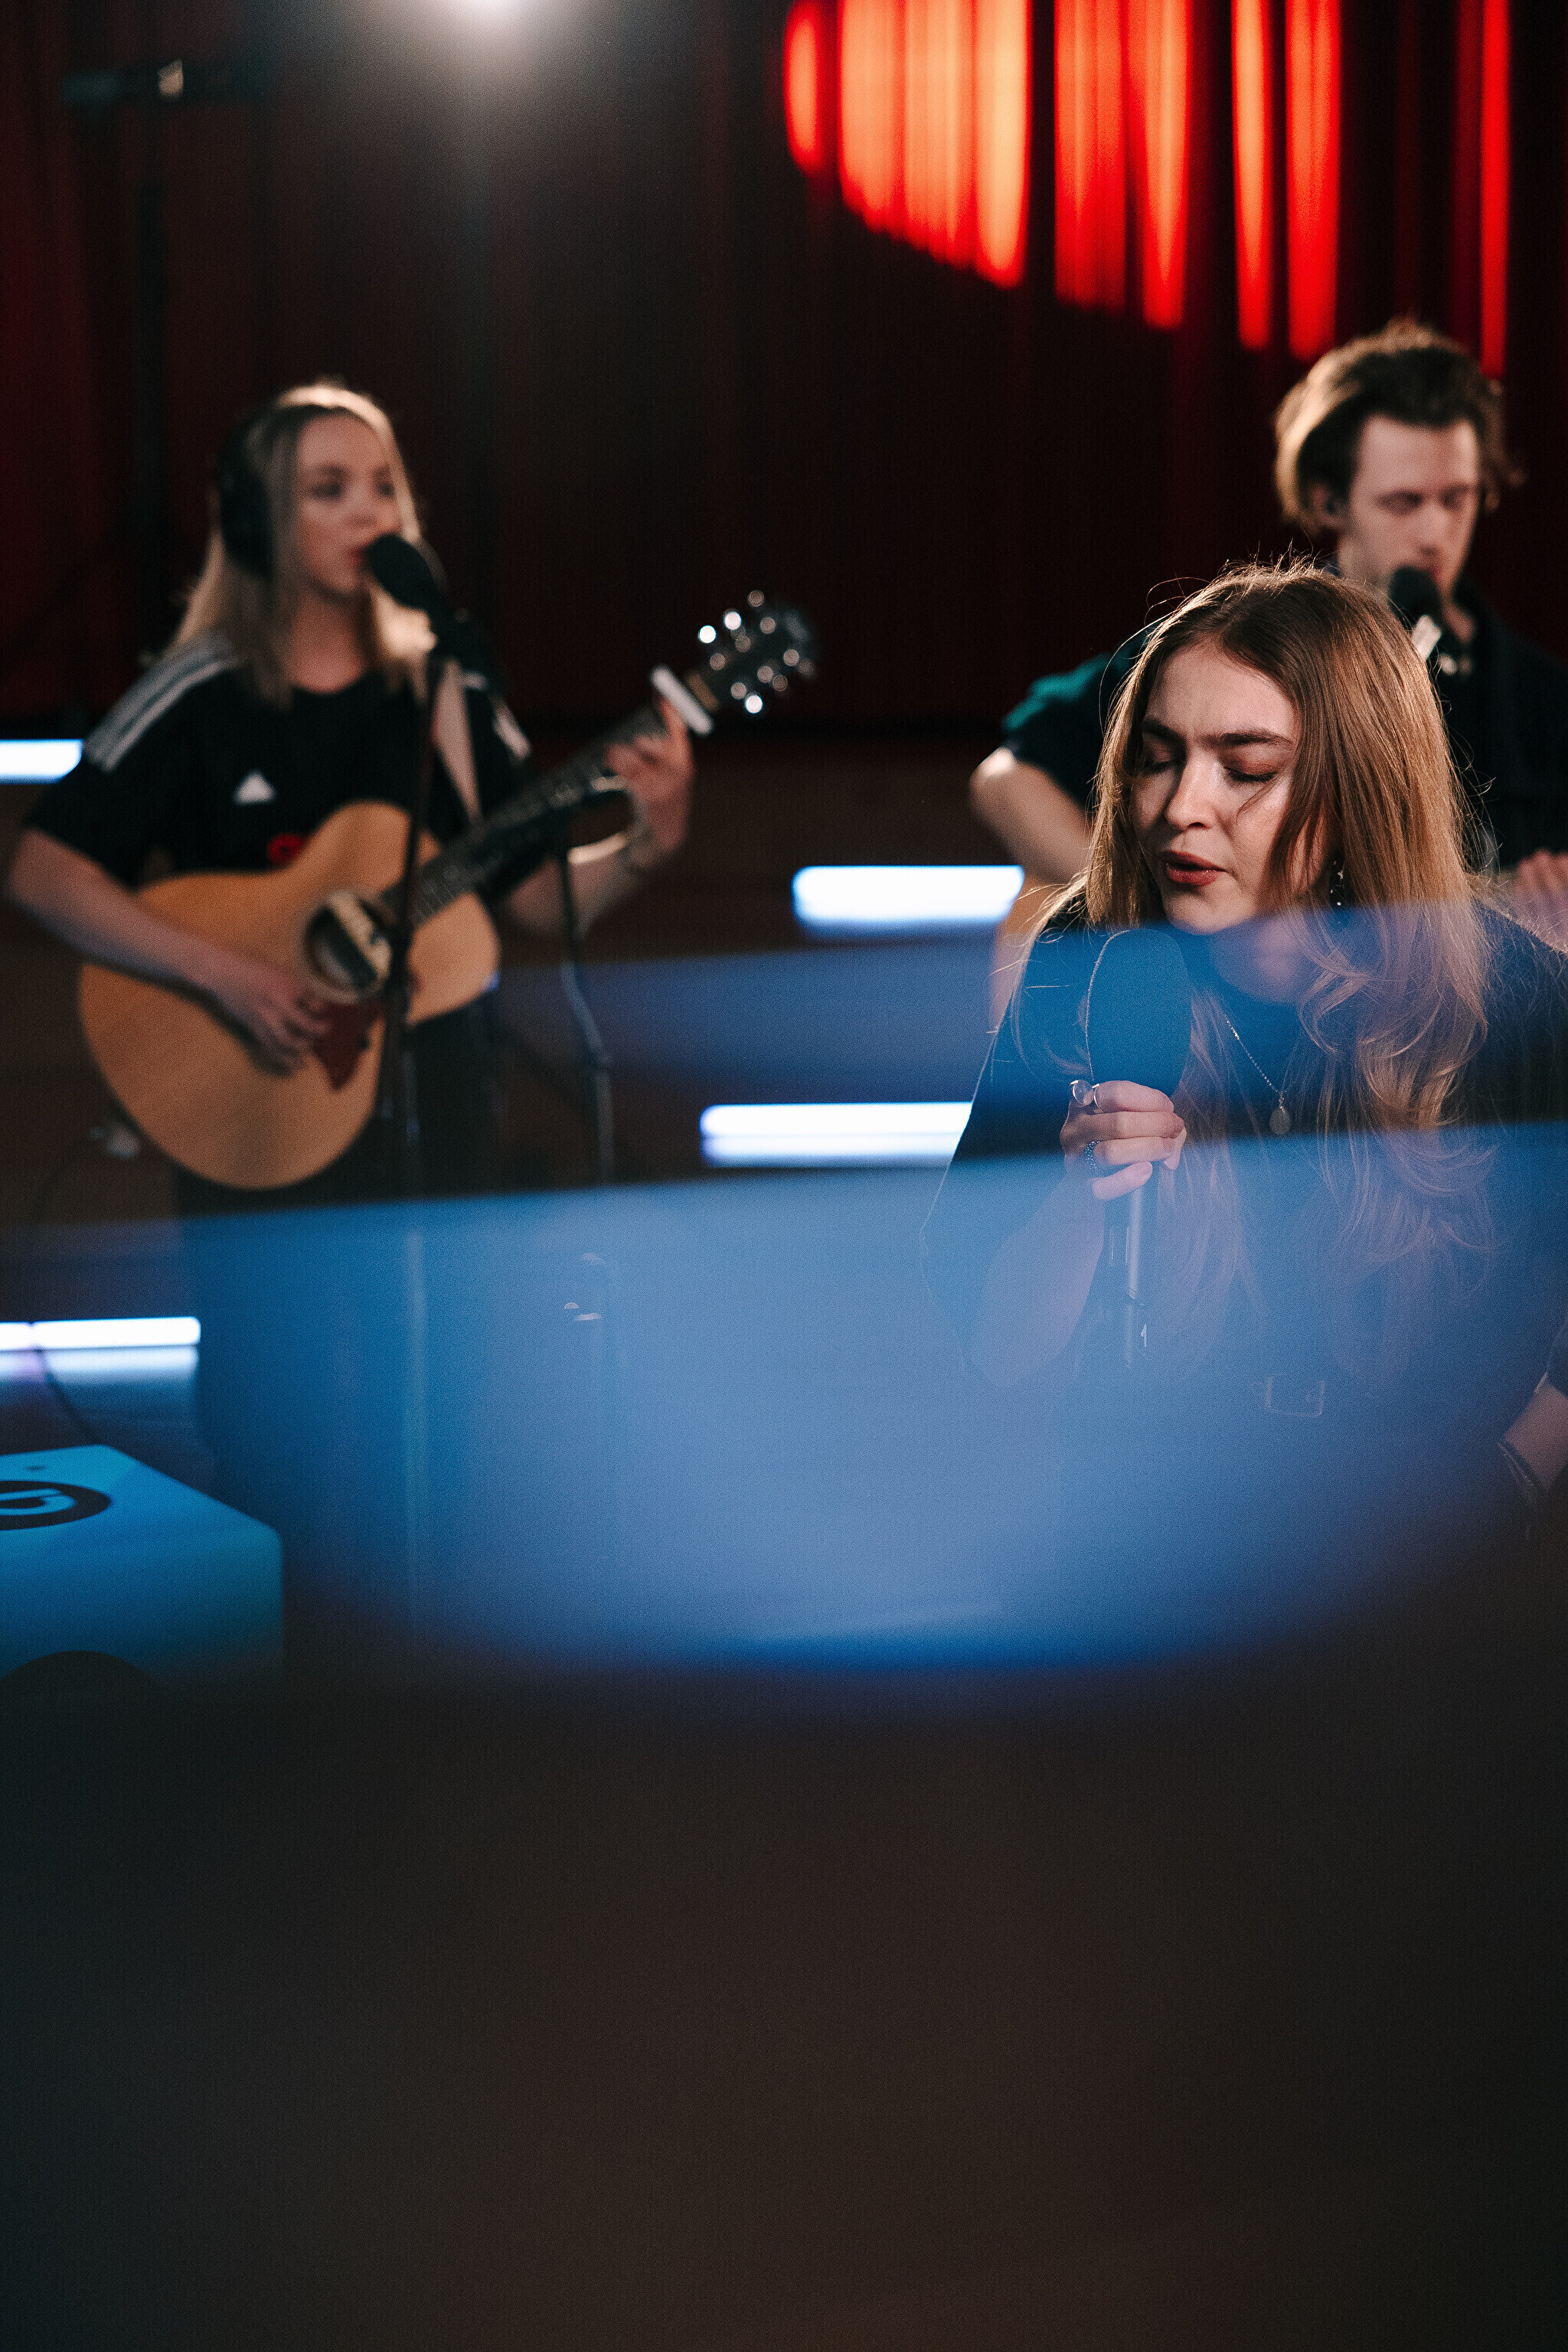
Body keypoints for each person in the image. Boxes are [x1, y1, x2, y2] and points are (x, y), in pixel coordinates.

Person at [926, 564, 1568, 1623]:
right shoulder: (1088, 958)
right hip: (1148, 1563)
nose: (1182, 808)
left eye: (1246, 768)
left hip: (1422, 1579)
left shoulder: (1508, 995)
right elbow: (993, 1345)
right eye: (1159, 759)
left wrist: (1515, 1473)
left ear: (1356, 787)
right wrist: (1083, 1193)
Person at [4, 382, 694, 1200]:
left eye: (384, 487)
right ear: (259, 520)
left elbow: (539, 900)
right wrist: (227, 975)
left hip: (440, 1110)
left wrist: (649, 840)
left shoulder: (448, 690)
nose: (368, 513)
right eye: (328, 490)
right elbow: (44, 874)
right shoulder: (199, 692)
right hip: (256, 1107)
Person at [972, 321, 1568, 971]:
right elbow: (1006, 780)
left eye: (1457, 499)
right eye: (1403, 503)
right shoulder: (1238, 647)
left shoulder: (1545, 699)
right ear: (1329, 500)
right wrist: (1141, 902)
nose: (1434, 533)